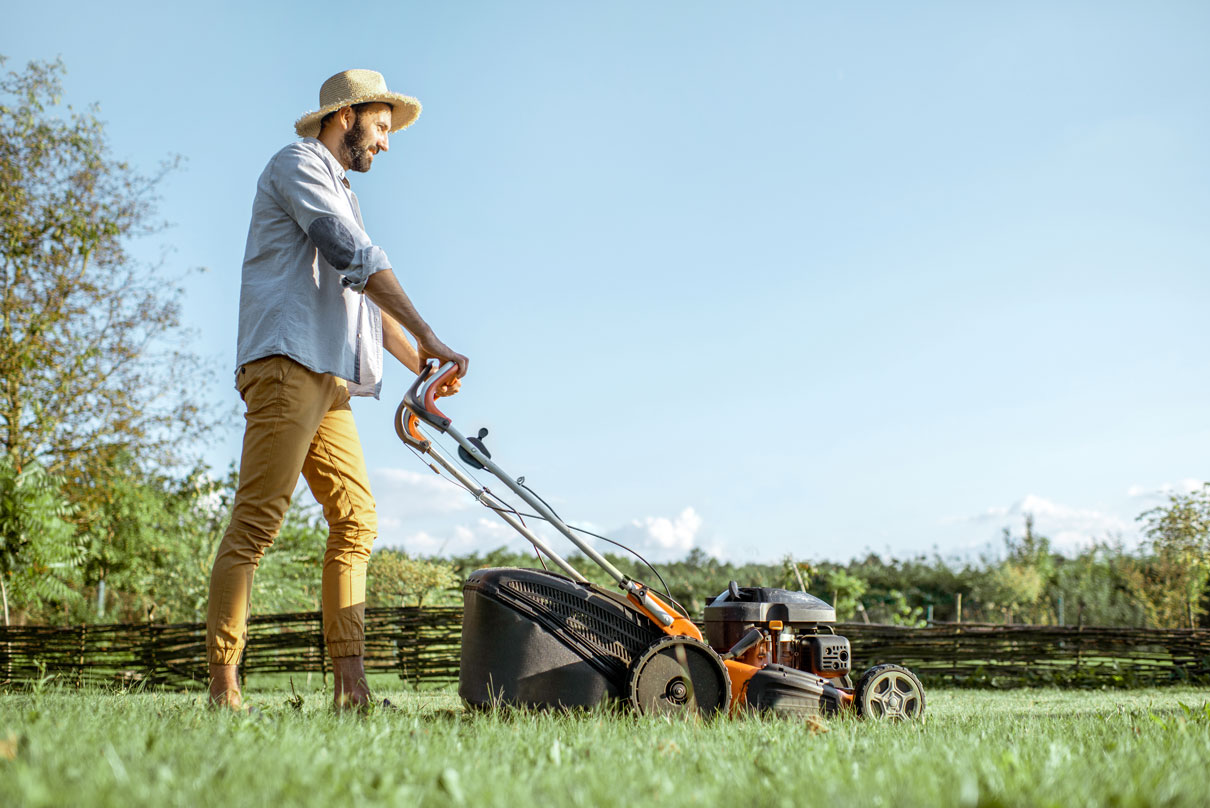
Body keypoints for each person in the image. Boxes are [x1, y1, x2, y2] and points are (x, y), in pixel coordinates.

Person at [206, 69, 468, 710]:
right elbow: (353, 255)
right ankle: (223, 685)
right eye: (381, 127)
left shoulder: (344, 188)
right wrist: (429, 332)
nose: (386, 142)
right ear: (346, 117)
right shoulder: (297, 164)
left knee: (356, 520)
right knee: (258, 523)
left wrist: (419, 362)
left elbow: (363, 307)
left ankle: (351, 689)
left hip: (329, 379)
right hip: (285, 362)